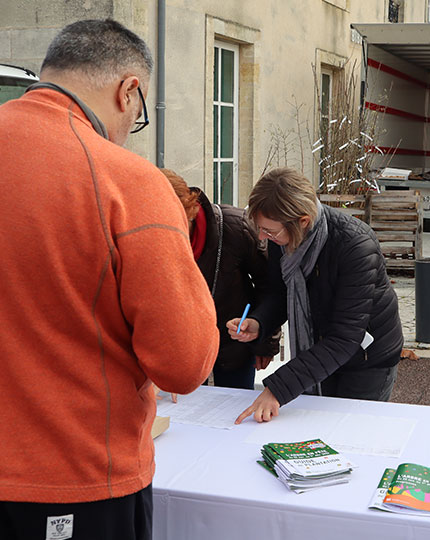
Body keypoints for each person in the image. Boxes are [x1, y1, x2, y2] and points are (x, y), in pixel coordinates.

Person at [0, 19, 218, 540]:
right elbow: (184, 363)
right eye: (137, 115)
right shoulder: (127, 180)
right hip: (73, 478)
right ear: (129, 91)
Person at [226, 167, 403, 423]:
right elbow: (280, 293)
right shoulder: (284, 239)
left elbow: (345, 338)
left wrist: (277, 388)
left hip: (366, 361)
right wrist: (259, 322)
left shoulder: (356, 246)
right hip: (320, 350)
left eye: (270, 231)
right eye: (260, 229)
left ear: (303, 221)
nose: (263, 237)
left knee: (349, 433)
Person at [163, 169, 281, 389]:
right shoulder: (149, 240)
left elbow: (270, 287)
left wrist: (265, 342)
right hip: (181, 353)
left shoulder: (236, 226)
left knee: (231, 414)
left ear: (189, 212)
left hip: (234, 347)